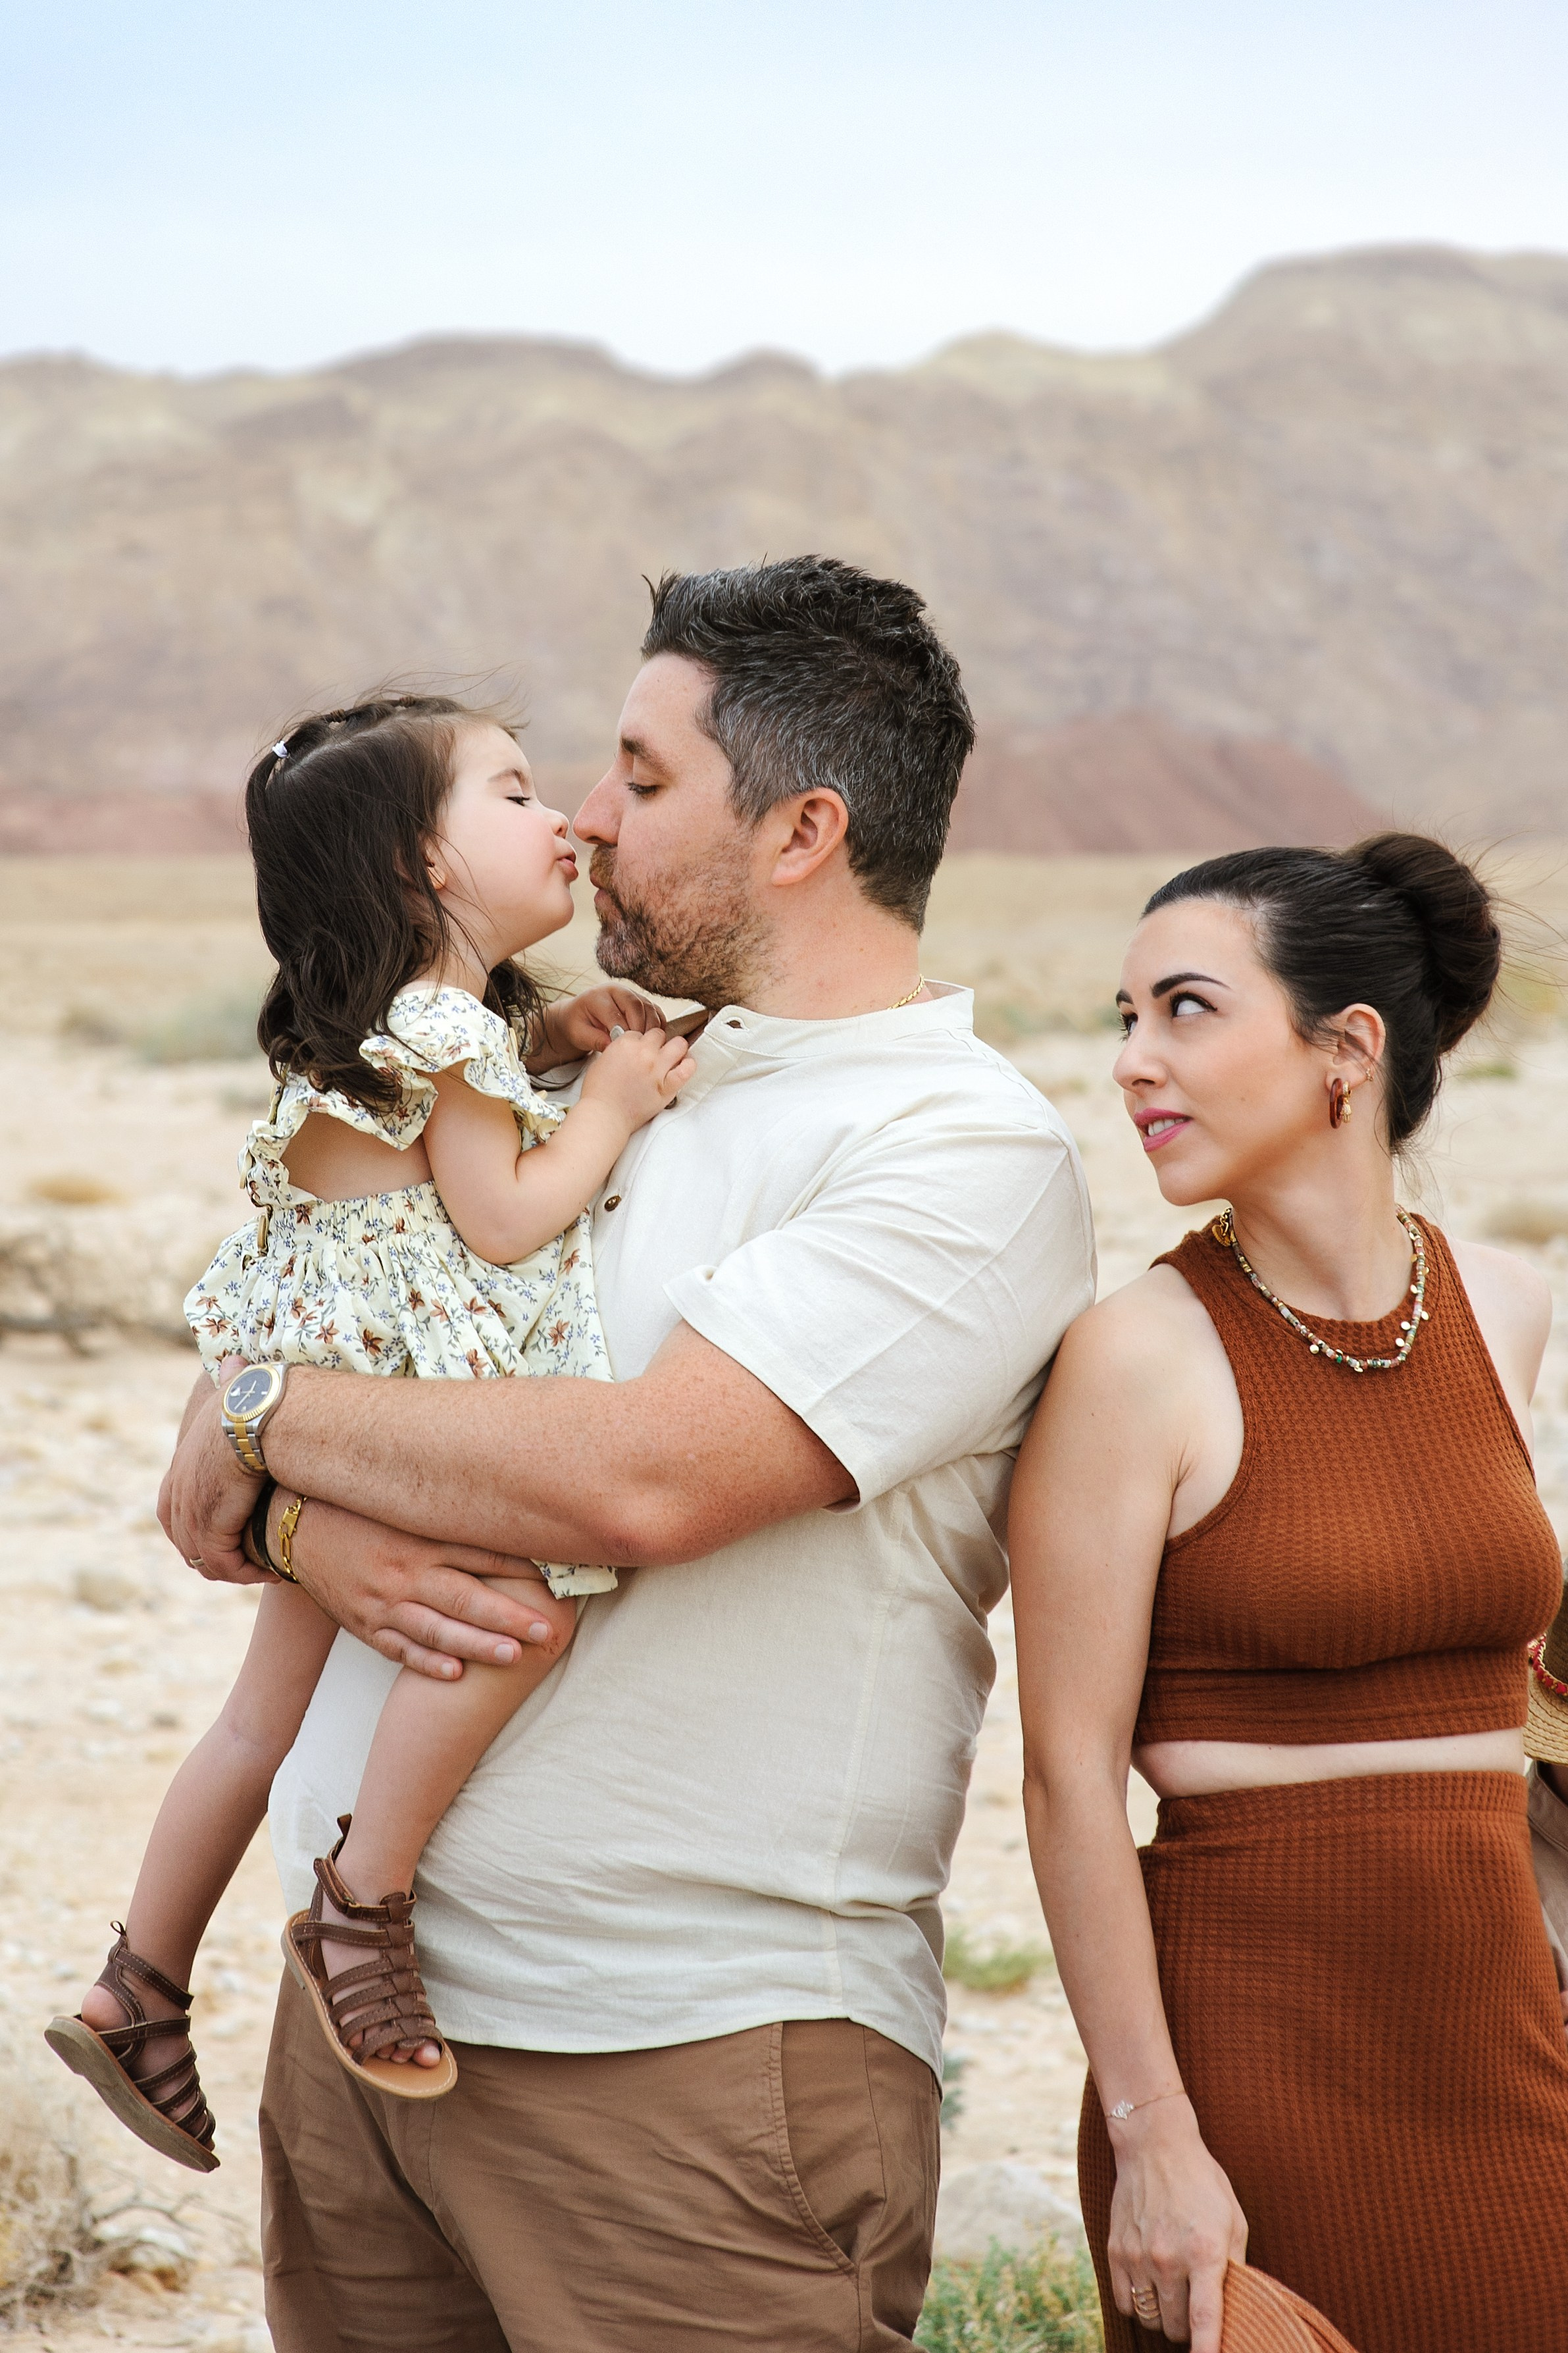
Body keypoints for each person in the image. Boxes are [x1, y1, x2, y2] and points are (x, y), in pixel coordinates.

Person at [157, 557, 1097, 2353]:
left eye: (644, 779)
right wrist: (298, 1506)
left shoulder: (953, 1150)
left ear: (805, 828)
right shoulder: (593, 1080)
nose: (587, 822)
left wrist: (268, 1419)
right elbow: (230, 1459)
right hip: (359, 2035)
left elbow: (634, 1482)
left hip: (686, 2067)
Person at [47, 691, 695, 2170]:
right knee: (515, 1619)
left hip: (310, 1372)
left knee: (256, 1722)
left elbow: (448, 1132)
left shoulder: (413, 1023)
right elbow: (511, 1217)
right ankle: (367, 1902)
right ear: (426, 867)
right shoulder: (447, 1028)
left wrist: (545, 1044)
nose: (562, 822)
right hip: (408, 1395)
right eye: (518, 795)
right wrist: (610, 1100)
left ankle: (138, 1983)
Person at [1009, 835, 1568, 2353]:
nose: (1132, 1062)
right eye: (1123, 1019)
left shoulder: (1504, 1307)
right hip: (1251, 2066)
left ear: (1348, 1050)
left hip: (1508, 2039)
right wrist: (1155, 2140)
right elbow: (1065, 1778)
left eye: (1183, 1009)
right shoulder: (1134, 1357)